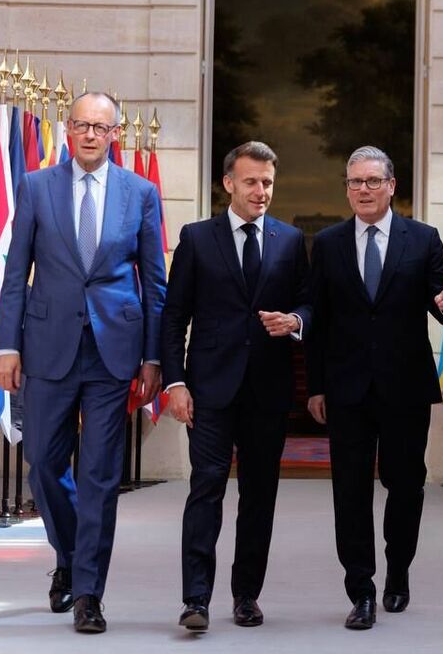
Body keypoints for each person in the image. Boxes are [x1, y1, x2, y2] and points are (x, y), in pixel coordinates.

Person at [0, 92, 166, 634]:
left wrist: (154, 356)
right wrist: (7, 346)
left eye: (100, 127)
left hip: (114, 350)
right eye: (81, 125)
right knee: (44, 464)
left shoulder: (140, 193)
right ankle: (69, 557)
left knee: (99, 475)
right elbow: (15, 272)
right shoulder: (35, 186)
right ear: (68, 130)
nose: (90, 134)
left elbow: (154, 282)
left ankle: (89, 592)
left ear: (115, 134)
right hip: (47, 347)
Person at [305, 146, 443, 630]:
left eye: (373, 181)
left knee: (406, 485)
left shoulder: (423, 238)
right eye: (355, 182)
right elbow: (318, 319)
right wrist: (316, 386)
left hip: (405, 387)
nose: (363, 190)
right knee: (349, 491)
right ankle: (362, 590)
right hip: (346, 390)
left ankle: (398, 570)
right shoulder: (328, 243)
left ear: (392, 186)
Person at [161, 141, 311, 632]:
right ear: (229, 183)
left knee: (259, 495)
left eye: (267, 182)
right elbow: (174, 316)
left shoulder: (290, 240)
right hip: (208, 390)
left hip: (268, 390)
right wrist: (176, 382)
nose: (261, 190)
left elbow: (309, 303)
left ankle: (247, 595)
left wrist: (295, 320)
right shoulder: (197, 238)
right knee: (205, 488)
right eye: (251, 181)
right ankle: (196, 599)